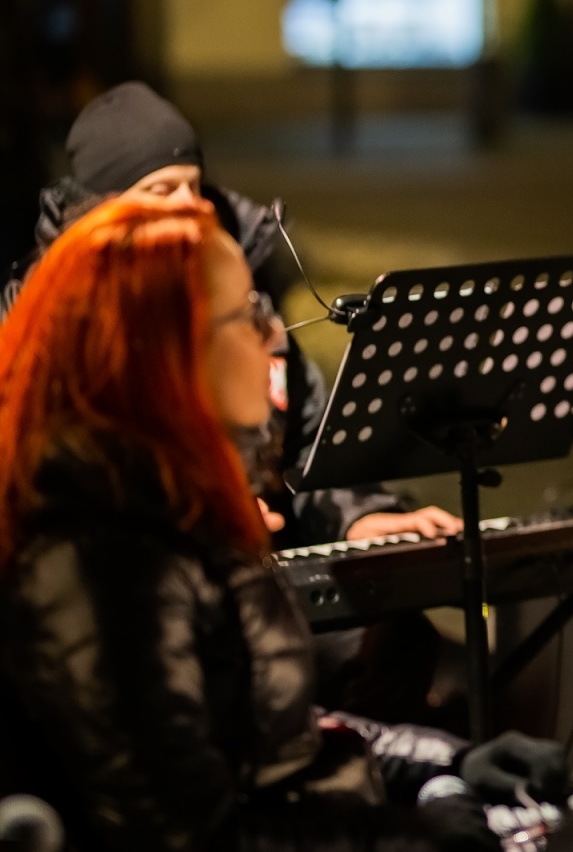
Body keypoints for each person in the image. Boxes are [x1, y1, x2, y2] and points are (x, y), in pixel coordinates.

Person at [0, 197, 573, 852]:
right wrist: (422, 846)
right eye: (248, 316)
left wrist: (454, 759)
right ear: (168, 355)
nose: (276, 341)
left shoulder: (168, 515)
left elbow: (277, 736)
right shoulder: (100, 568)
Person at [2, 82, 461, 724]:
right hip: (155, 593)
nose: (188, 206)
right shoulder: (57, 318)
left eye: (195, 185)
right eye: (160, 191)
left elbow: (304, 431)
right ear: (102, 210)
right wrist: (210, 511)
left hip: (252, 569)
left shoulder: (233, 275)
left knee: (399, 644)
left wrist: (358, 514)